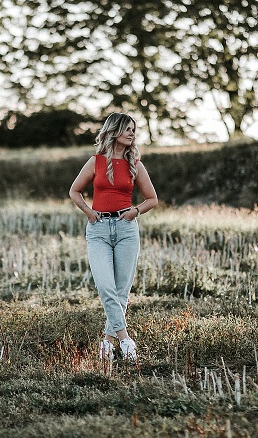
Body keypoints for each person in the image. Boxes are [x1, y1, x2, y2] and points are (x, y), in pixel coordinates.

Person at [69, 112, 158, 362]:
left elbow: (152, 199)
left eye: (133, 129)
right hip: (98, 230)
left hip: (126, 229)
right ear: (114, 130)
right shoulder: (95, 161)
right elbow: (75, 191)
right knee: (106, 286)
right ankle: (125, 339)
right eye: (127, 129)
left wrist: (135, 211)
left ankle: (107, 343)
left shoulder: (135, 164)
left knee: (121, 291)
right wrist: (88, 212)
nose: (132, 133)